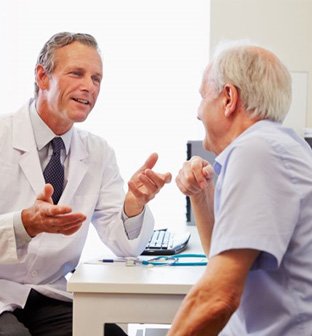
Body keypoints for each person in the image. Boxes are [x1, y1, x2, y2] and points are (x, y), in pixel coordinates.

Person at [0, 32, 171, 336]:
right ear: (42, 76)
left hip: (52, 295)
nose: (89, 87)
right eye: (77, 73)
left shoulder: (98, 153)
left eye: (96, 79)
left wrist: (133, 205)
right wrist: (24, 224)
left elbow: (124, 244)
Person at [169, 41, 312, 335]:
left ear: (229, 98)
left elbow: (217, 298)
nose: (198, 112)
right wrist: (200, 194)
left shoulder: (256, 151)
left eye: (202, 97)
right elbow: (221, 262)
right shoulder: (277, 145)